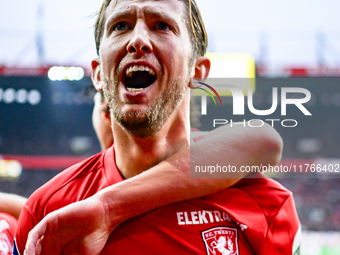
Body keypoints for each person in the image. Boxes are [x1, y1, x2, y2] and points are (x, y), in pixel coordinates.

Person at [17, 0, 300, 254]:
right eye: (121, 26)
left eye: (162, 25)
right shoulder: (47, 214)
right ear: (98, 74)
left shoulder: (266, 205)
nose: (138, 40)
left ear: (197, 72)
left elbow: (263, 139)